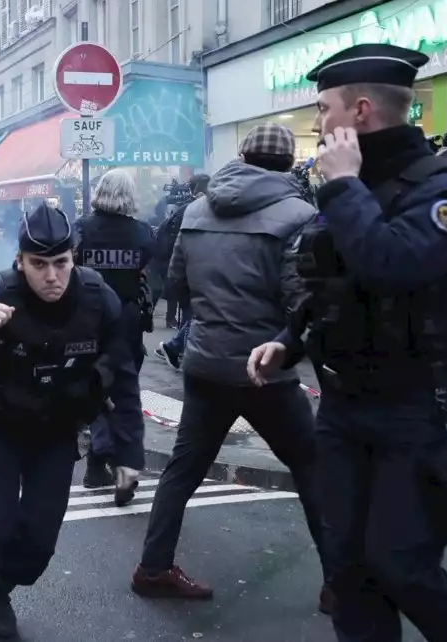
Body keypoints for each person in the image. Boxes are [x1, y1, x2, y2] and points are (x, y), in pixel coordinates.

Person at [248, 43, 447, 641]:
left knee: (401, 564)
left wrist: (342, 187)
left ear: (360, 112)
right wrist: (291, 339)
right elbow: (332, 277)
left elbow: (391, 264)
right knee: (349, 567)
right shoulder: (347, 185)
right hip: (343, 405)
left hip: (415, 405)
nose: (316, 124)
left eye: (323, 108)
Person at [0, 202, 144, 639]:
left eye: (61, 262)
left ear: (74, 257)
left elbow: (123, 375)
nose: (52, 276)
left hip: (55, 433)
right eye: (39, 264)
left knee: (38, 546)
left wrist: (128, 453)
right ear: (20, 261)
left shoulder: (98, 299)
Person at [131, 122, 330, 612]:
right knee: (312, 471)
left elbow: (176, 285)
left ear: (241, 155)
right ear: (288, 164)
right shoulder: (301, 214)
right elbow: (301, 299)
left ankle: (153, 567)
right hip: (266, 368)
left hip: (205, 361)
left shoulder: (198, 209)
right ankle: (342, 581)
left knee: (183, 469)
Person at [72, 168, 153, 499]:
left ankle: (98, 460)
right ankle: (121, 465)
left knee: (96, 389)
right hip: (127, 321)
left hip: (88, 319)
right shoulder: (143, 233)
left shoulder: (81, 229)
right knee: (125, 393)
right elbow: (151, 273)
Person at [153, 174, 210, 370]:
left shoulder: (187, 208)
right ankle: (178, 348)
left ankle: (178, 347)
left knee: (192, 314)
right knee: (194, 315)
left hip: (184, 269)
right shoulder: (196, 210)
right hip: (192, 270)